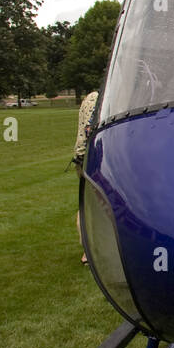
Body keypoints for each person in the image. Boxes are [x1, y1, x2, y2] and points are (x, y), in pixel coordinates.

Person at [73, 91, 99, 264]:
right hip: (92, 157)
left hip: (83, 157)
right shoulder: (99, 99)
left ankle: (88, 250)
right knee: (94, 204)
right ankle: (89, 251)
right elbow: (89, 131)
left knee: (89, 203)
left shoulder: (90, 97)